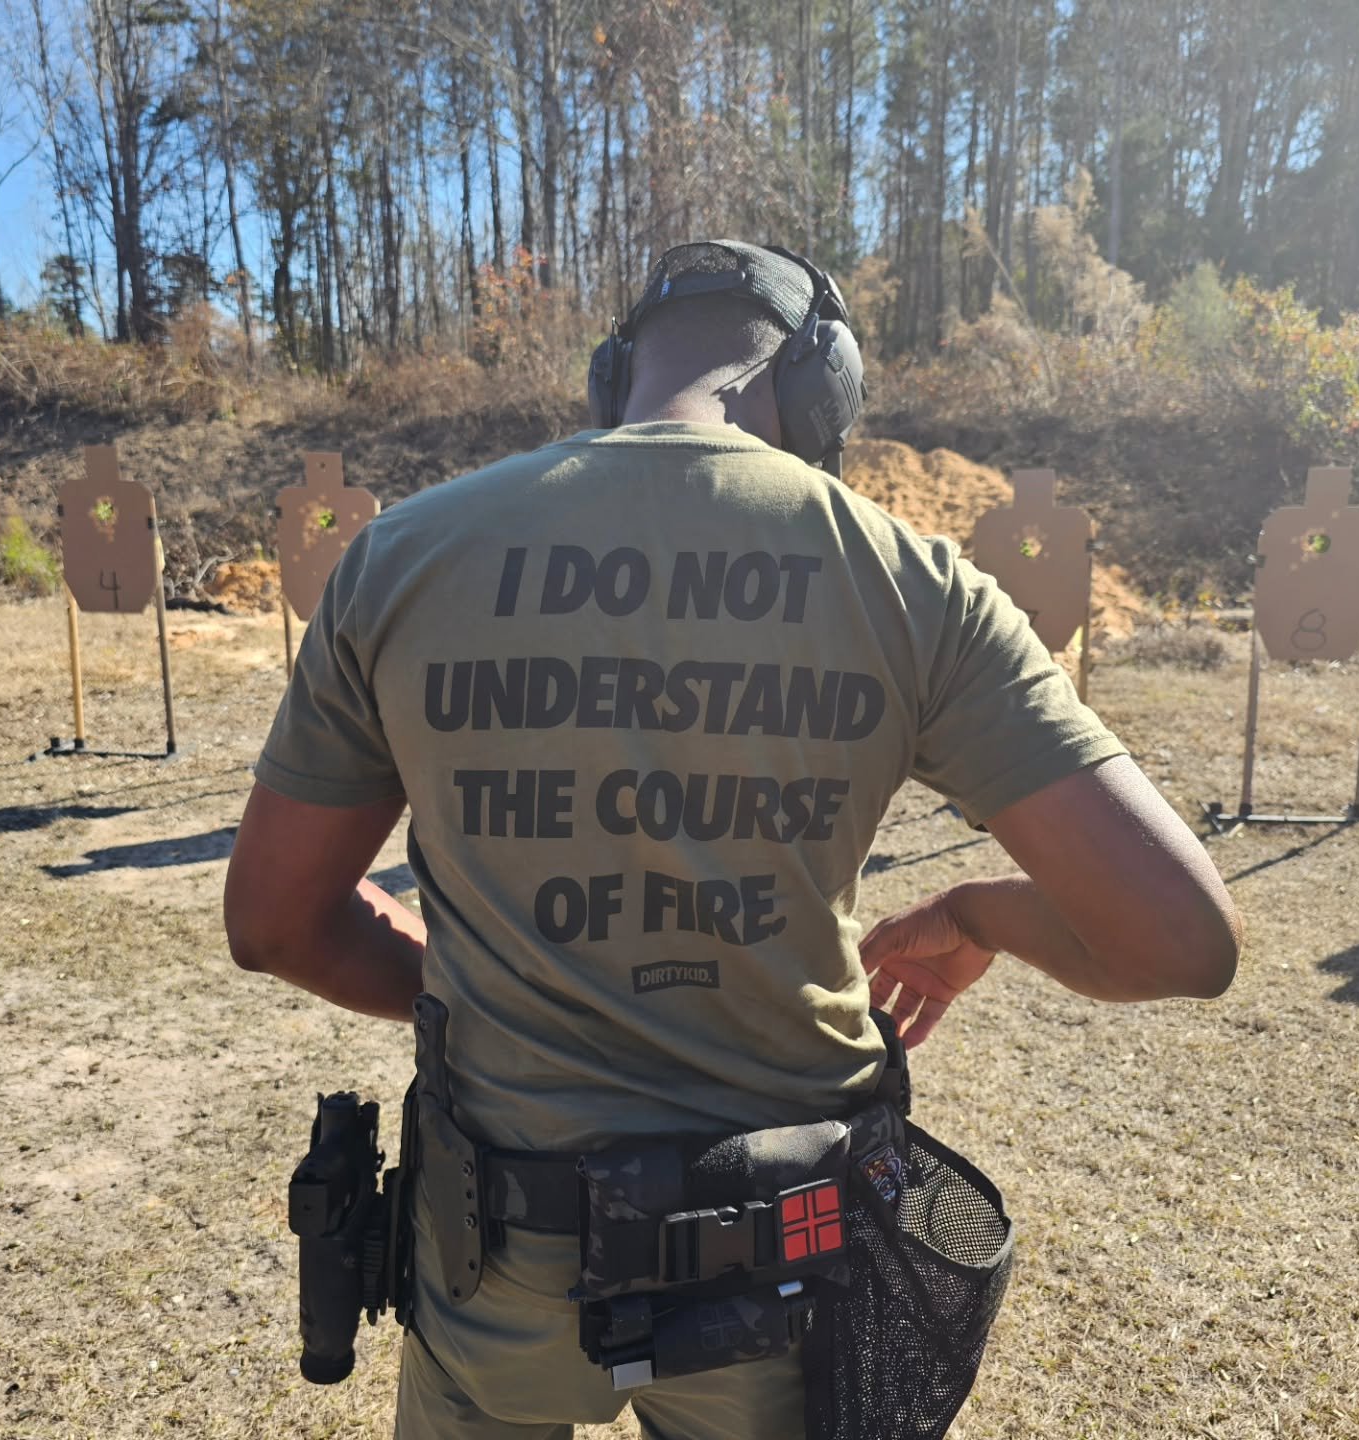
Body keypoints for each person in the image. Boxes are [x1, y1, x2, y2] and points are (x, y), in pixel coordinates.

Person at [225, 240, 1240, 1440]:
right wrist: (976, 918)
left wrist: (488, 995)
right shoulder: (915, 585)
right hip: (787, 1263)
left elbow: (277, 922)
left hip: (497, 1253)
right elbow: (1183, 943)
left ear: (612, 379)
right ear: (822, 393)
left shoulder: (399, 557)